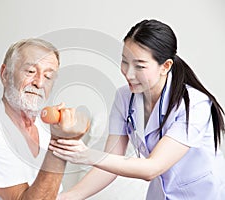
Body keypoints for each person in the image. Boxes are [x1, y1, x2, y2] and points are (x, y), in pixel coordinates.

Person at [49, 19, 225, 200]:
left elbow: (152, 168)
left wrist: (87, 155)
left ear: (165, 66)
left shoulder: (194, 105)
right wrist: (66, 197)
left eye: (140, 66)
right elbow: (110, 164)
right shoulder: (124, 98)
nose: (128, 73)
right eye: (125, 61)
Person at [0, 38, 90, 200]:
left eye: (48, 76)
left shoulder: (45, 130)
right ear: (5, 74)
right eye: (30, 71)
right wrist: (58, 143)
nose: (39, 83)